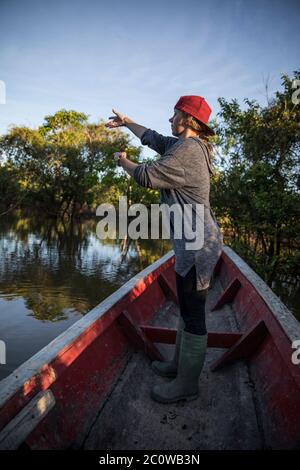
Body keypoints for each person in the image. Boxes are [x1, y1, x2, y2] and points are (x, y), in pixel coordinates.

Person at [105, 96, 223, 403]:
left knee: (194, 313)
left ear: (186, 119)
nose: (169, 120)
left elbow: (145, 175)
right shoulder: (184, 146)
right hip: (192, 242)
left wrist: (122, 161)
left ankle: (187, 385)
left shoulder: (187, 151)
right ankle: (177, 366)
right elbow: (153, 138)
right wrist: (127, 121)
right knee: (186, 307)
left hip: (198, 244)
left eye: (174, 115)